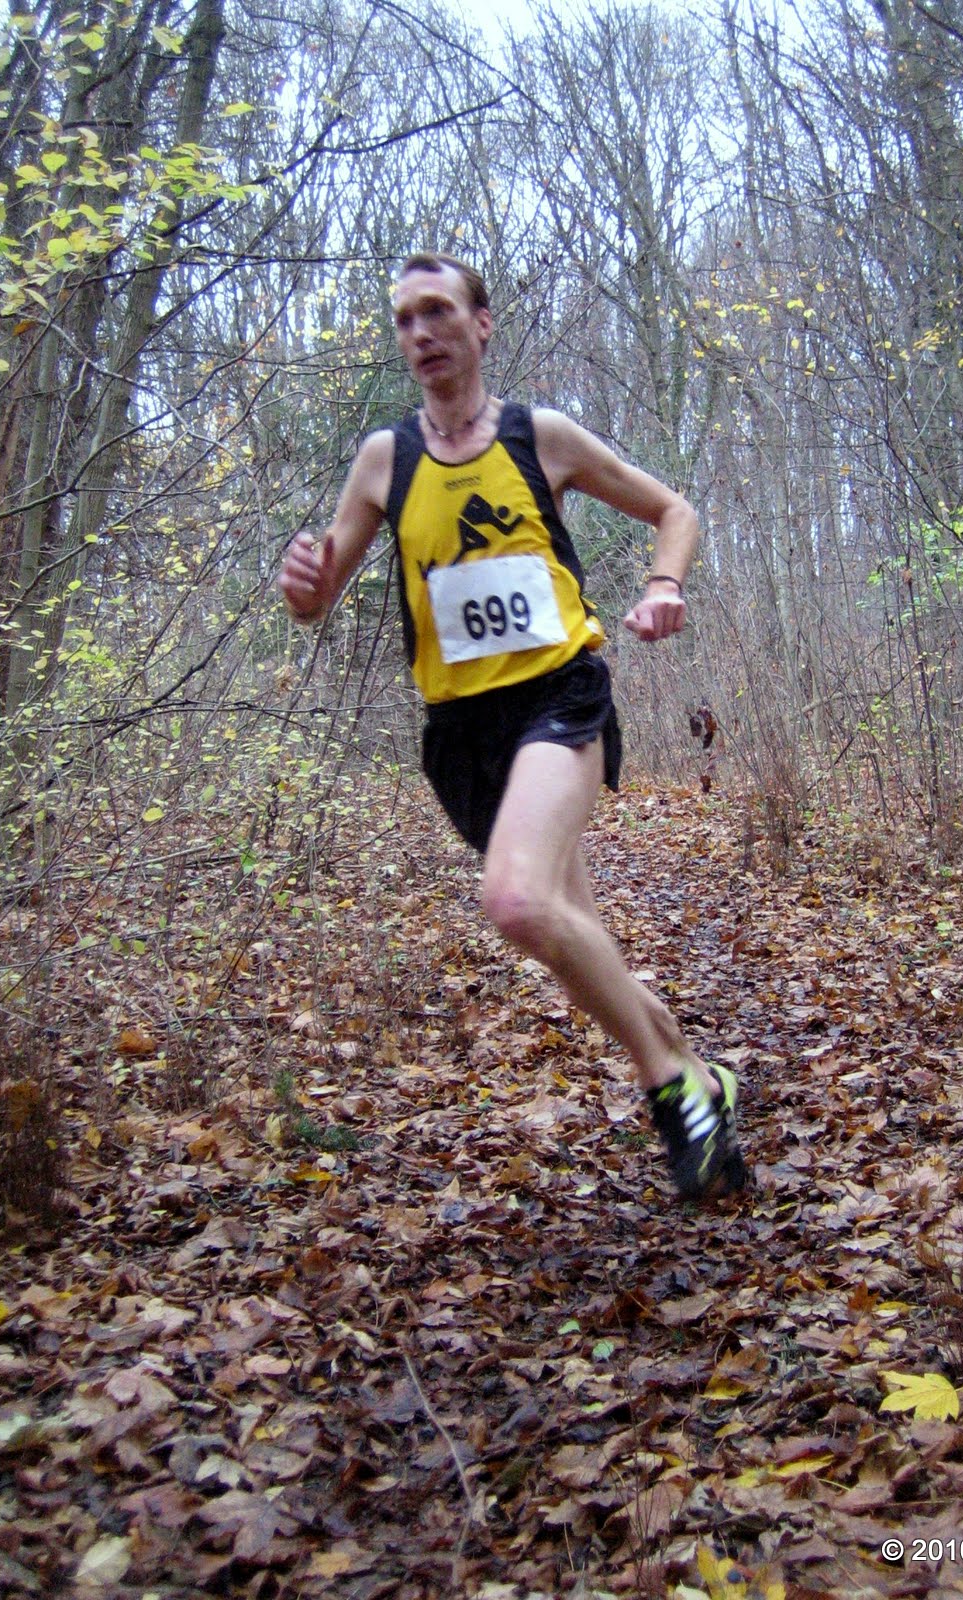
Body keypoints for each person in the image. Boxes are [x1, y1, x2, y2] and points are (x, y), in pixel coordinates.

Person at [278, 252, 746, 1202]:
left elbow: (675, 510)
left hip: (557, 696)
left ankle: (674, 1093)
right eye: (405, 318)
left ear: (482, 324)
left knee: (520, 903)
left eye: (439, 310)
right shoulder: (385, 460)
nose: (421, 332)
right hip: (461, 732)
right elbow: (316, 601)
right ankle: (705, 1075)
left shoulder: (542, 437)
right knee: (571, 932)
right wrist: (302, 585)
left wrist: (664, 583)